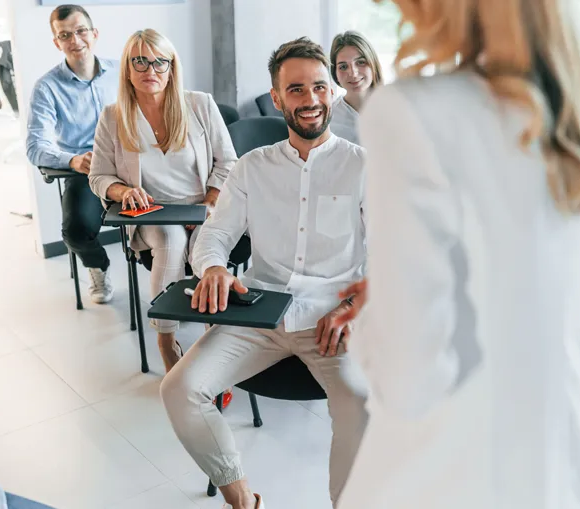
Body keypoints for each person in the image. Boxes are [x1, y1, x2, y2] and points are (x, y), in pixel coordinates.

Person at [333, 0, 580, 508]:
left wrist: (379, 314)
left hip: (451, 462)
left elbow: (409, 380)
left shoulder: (409, 112)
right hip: (560, 447)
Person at [160, 37, 368, 509]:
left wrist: (357, 306)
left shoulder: (361, 166)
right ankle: (241, 498)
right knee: (179, 389)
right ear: (277, 98)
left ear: (332, 91)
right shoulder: (252, 167)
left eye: (319, 87)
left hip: (332, 321)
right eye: (296, 90)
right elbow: (213, 236)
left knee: (361, 402)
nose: (310, 99)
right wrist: (212, 267)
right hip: (260, 312)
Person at [89, 29, 237, 374]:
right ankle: (166, 343)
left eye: (159, 62)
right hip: (151, 212)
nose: (150, 70)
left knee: (207, 253)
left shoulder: (200, 104)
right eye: (139, 61)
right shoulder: (113, 116)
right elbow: (98, 176)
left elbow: (228, 162)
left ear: (172, 68)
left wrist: (210, 203)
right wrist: (123, 191)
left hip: (204, 206)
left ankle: (215, 344)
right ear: (127, 69)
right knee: (171, 241)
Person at [26, 4, 118, 305]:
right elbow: (35, 146)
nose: (75, 40)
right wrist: (72, 160)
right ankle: (99, 267)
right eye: (65, 35)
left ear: (94, 33)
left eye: (80, 31)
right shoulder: (47, 87)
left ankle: (159, 266)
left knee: (172, 212)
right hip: (86, 169)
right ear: (57, 42)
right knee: (76, 232)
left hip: (131, 161)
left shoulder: (123, 72)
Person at [328, 31, 384, 144]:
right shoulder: (328, 121)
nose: (353, 73)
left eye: (361, 62)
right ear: (335, 73)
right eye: (343, 66)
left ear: (373, 64)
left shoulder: (397, 106)